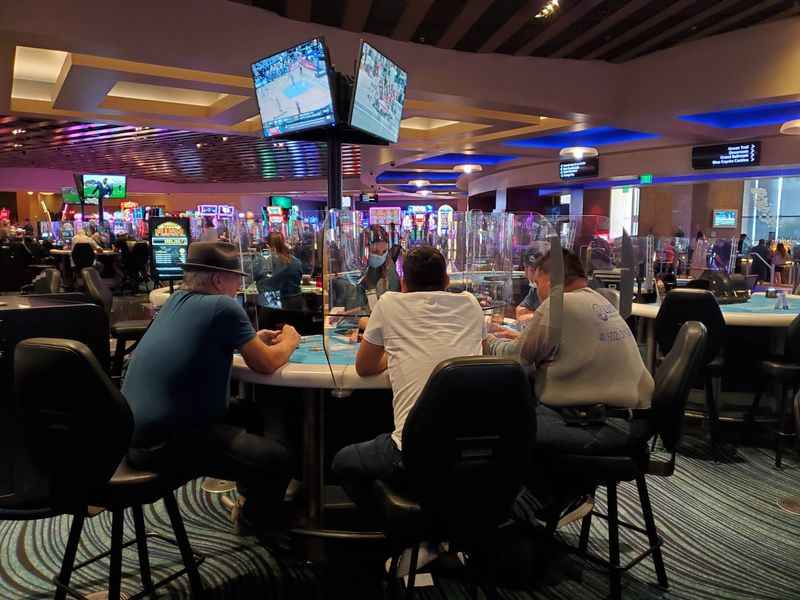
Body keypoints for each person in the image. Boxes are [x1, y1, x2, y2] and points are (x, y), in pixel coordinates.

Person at [123, 241, 301, 531]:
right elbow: (266, 364)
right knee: (279, 461)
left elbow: (198, 342)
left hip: (133, 433)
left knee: (254, 414)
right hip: (165, 444)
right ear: (219, 279)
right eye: (235, 280)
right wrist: (291, 340)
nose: (238, 287)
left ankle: (251, 493)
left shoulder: (174, 302)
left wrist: (251, 338)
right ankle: (255, 522)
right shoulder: (223, 306)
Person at [485, 249, 654, 520]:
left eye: (537, 283)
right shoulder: (599, 300)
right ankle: (561, 493)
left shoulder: (557, 305)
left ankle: (534, 506)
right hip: (631, 420)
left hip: (605, 425)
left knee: (503, 425)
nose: (537, 291)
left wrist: (485, 338)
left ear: (552, 279)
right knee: (522, 413)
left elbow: (517, 358)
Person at [332, 246, 486, 505]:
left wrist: (396, 352)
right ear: (447, 280)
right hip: (473, 449)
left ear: (403, 282)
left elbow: (364, 367)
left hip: (412, 453)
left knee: (342, 463)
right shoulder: (471, 304)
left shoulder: (389, 302)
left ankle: (402, 528)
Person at [262, 231, 303, 310]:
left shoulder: (272, 262)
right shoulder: (296, 261)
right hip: (297, 303)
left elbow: (267, 284)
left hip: (279, 305)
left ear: (268, 246)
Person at [516, 248, 542, 322]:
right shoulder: (534, 289)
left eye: (532, 270)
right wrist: (536, 316)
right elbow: (519, 310)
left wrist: (531, 316)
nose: (526, 274)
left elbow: (549, 319)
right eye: (525, 268)